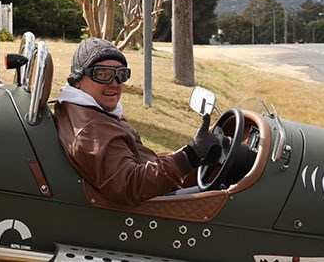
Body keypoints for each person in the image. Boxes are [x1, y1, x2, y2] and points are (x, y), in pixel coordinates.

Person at [54, 37, 222, 206]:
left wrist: (189, 153)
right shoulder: (92, 129)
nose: (114, 84)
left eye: (121, 75)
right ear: (77, 80)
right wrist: (190, 156)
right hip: (148, 211)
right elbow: (130, 184)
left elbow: (133, 159)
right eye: (102, 74)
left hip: (156, 194)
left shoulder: (90, 111)